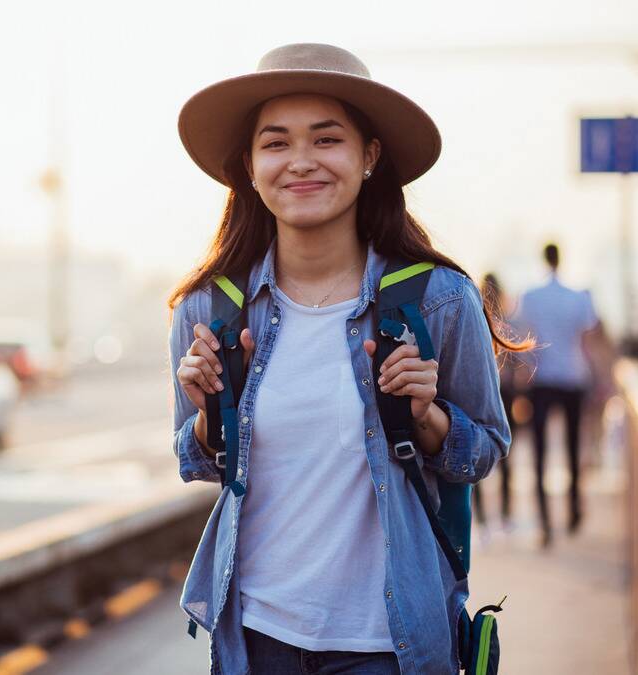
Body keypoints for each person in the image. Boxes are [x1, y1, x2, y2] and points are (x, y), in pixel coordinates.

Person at [168, 44, 525, 675]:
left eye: (326, 140)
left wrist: (427, 417)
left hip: (389, 644)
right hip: (254, 638)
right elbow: (196, 462)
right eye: (275, 144)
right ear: (249, 166)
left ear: (369, 157)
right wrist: (205, 418)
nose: (300, 162)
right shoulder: (209, 309)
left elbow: (487, 449)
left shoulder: (439, 301)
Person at [513, 243, 602, 548]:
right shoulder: (578, 297)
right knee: (572, 447)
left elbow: (521, 339)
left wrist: (525, 369)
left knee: (539, 453)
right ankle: (574, 508)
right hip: (573, 377)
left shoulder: (530, 297)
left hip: (542, 380)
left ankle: (545, 522)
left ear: (543, 258)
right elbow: (589, 337)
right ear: (561, 259)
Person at [472, 273, 520, 532]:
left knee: (475, 456)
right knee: (506, 456)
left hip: (478, 394)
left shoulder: (473, 317)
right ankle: (505, 514)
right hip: (506, 393)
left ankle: (481, 519)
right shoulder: (508, 321)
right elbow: (516, 365)